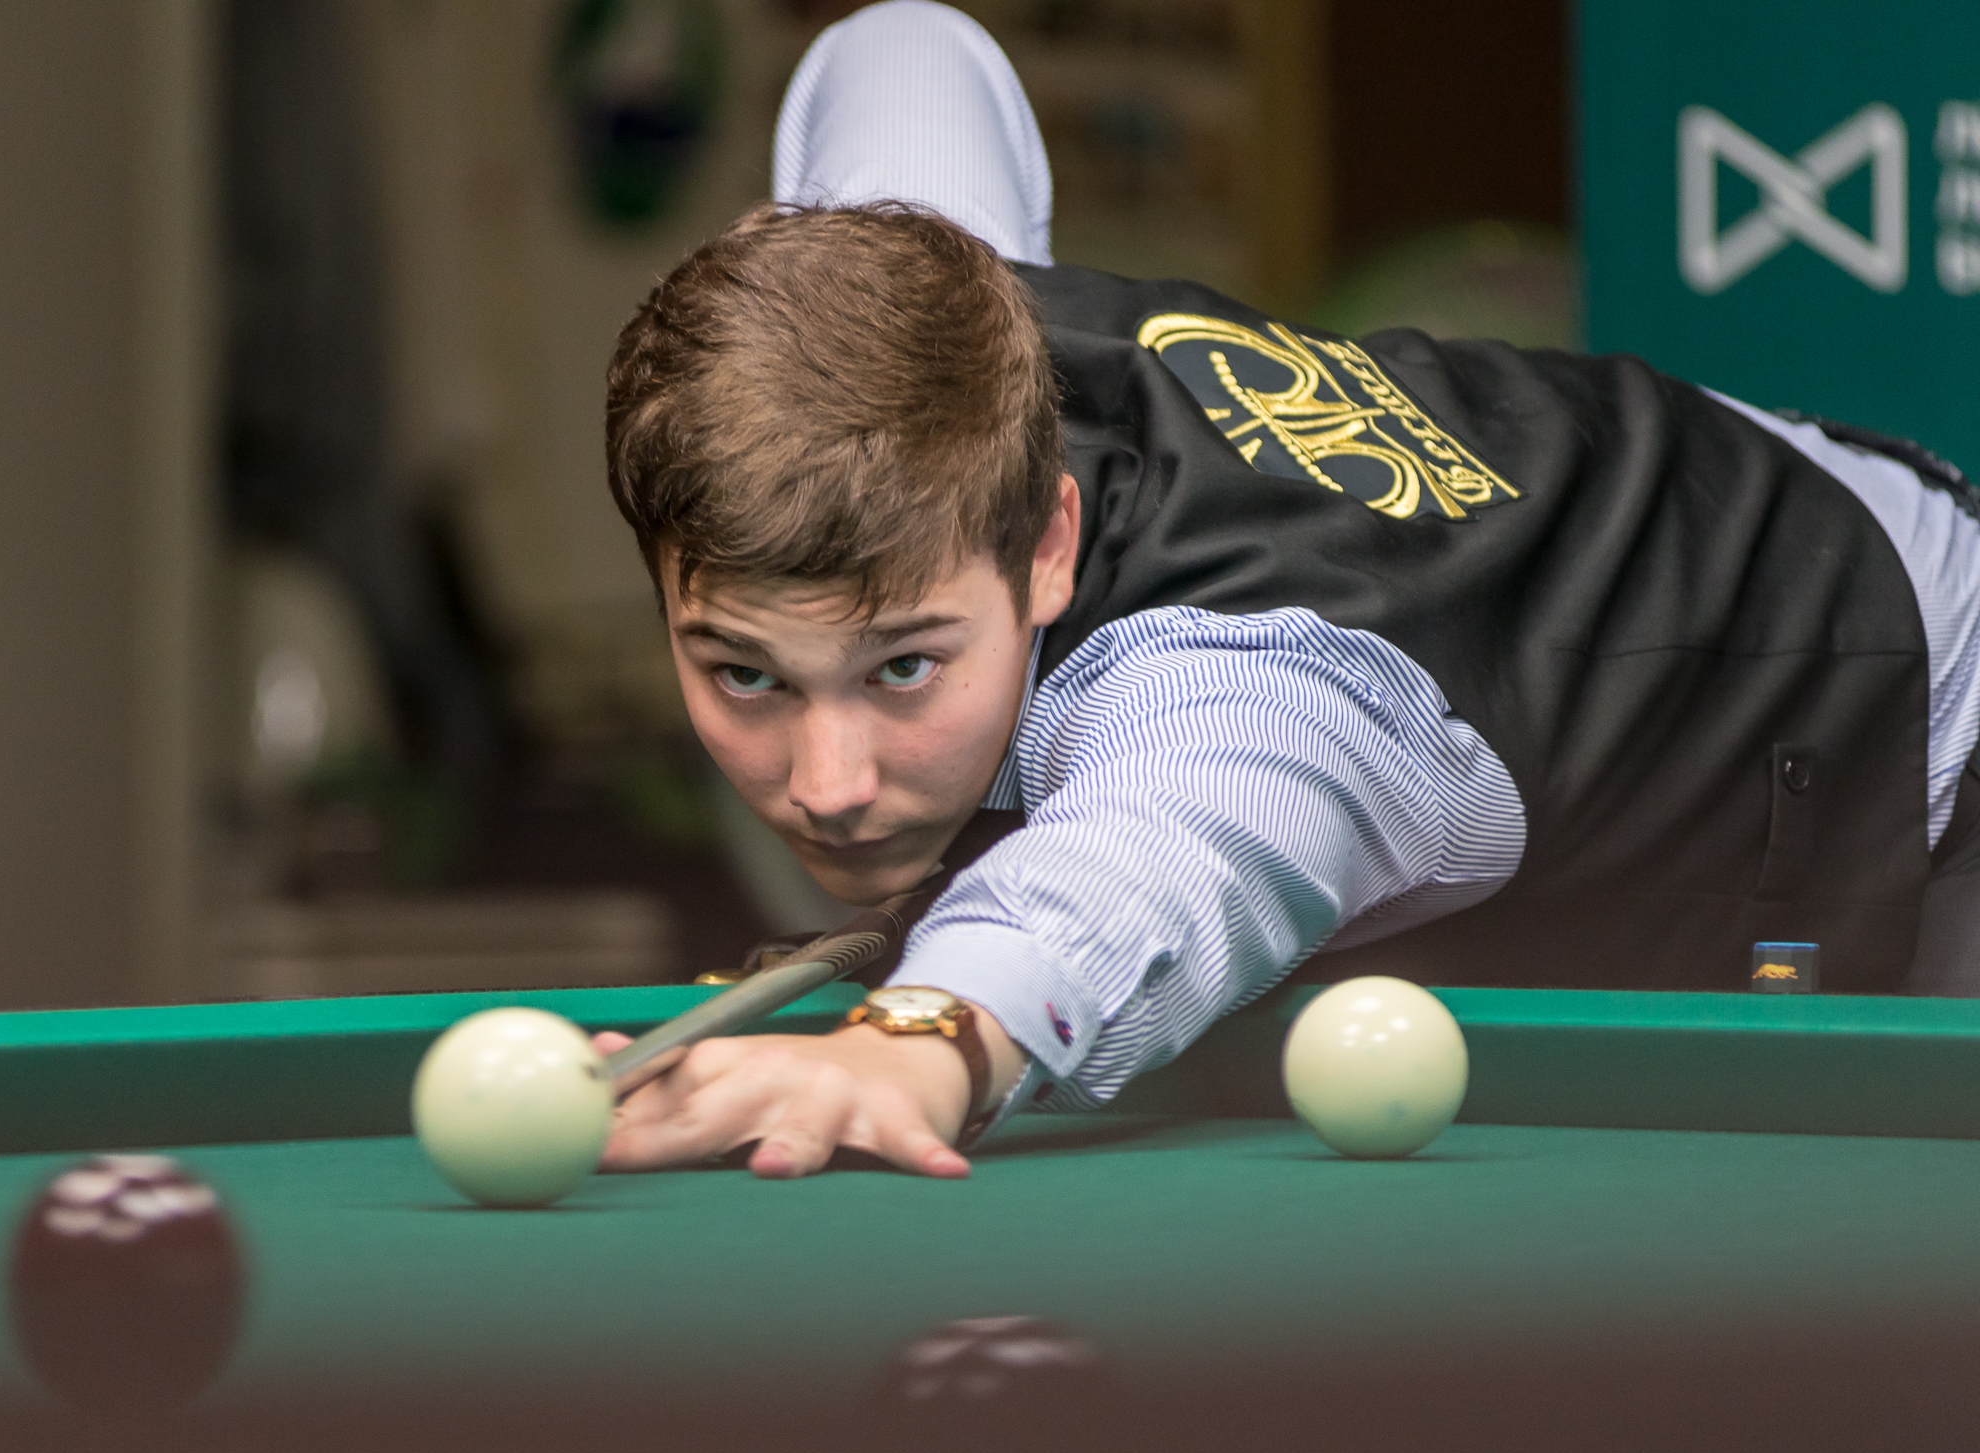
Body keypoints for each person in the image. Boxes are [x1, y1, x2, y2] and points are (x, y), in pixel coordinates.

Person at [591, 1, 1980, 1181]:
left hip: (1904, 689)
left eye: (905, 667)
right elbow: (907, 50)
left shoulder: (1249, 685)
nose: (827, 785)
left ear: (1049, 544)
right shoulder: (932, 314)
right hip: (1691, 505)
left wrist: (923, 1039)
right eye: (744, 674)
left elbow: (1159, 860)